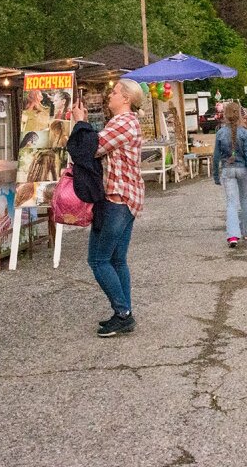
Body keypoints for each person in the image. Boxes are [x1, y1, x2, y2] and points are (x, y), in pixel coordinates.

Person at [74, 78, 145, 338]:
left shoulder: (123, 122)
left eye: (114, 92)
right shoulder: (127, 123)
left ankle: (123, 313)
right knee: (117, 259)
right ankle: (124, 312)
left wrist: (79, 123)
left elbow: (91, 148)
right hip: (127, 198)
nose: (110, 96)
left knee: (98, 259)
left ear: (126, 98)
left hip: (117, 198)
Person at [214, 102, 247, 247]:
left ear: (225, 115)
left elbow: (216, 157)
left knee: (231, 203)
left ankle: (233, 235)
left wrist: (215, 175)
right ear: (239, 115)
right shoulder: (244, 133)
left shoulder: (220, 133)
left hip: (227, 170)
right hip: (242, 169)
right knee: (245, 199)